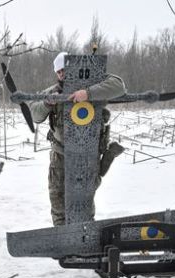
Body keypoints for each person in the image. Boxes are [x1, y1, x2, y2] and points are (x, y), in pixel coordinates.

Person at [29, 51, 127, 226]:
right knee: (57, 197)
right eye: (58, 72)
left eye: (64, 70)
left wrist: (88, 93)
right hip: (61, 154)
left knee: (84, 199)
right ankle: (62, 239)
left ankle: (84, 236)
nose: (62, 75)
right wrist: (47, 103)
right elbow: (35, 114)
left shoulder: (95, 83)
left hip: (87, 154)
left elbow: (119, 86)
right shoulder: (54, 92)